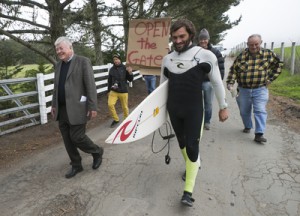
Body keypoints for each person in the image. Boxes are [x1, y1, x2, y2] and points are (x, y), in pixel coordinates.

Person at [160, 19, 228, 207]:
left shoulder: (205, 56)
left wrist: (223, 106)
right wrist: (158, 114)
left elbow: (216, 83)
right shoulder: (167, 59)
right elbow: (161, 88)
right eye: (174, 37)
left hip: (194, 110)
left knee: (191, 146)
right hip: (174, 109)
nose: (178, 40)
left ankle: (188, 192)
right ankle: (194, 164)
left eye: (181, 36)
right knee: (181, 143)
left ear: (191, 34)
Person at [51, 36, 104, 179]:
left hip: (78, 107)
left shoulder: (82, 61)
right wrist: (54, 105)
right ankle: (76, 164)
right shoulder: (58, 65)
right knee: (67, 139)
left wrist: (93, 106)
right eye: (57, 49)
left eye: (61, 48)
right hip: (62, 109)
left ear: (70, 47)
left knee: (77, 137)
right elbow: (56, 88)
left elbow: (90, 85)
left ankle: (97, 151)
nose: (59, 51)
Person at [226, 34, 283, 143]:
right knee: (244, 111)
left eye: (256, 44)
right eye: (251, 45)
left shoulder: (268, 54)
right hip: (243, 90)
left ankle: (259, 134)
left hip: (260, 89)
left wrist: (271, 78)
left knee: (260, 110)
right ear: (247, 44)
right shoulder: (241, 56)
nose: (254, 47)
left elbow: (279, 65)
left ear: (260, 42)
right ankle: (247, 126)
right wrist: (230, 83)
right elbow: (233, 71)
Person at [198, 28, 225, 130]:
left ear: (208, 39)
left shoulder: (215, 52)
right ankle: (198, 120)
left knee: (208, 103)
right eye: (201, 39)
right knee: (197, 104)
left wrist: (219, 81)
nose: (203, 41)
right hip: (197, 82)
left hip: (209, 82)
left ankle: (207, 121)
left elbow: (221, 67)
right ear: (198, 40)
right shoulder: (194, 51)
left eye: (205, 39)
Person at [107, 53, 133, 128]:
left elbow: (130, 79)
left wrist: (130, 72)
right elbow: (109, 81)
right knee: (110, 104)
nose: (116, 61)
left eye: (117, 59)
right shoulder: (111, 69)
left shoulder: (125, 68)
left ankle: (126, 120)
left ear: (120, 59)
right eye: (114, 60)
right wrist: (108, 91)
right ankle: (116, 119)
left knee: (125, 107)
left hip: (123, 91)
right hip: (113, 91)